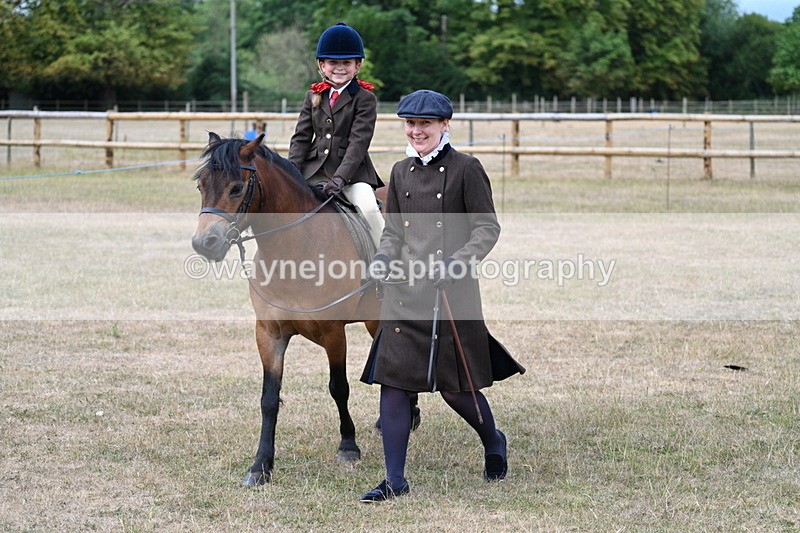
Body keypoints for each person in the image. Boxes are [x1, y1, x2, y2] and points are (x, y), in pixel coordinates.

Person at [359, 89, 526, 502]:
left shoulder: (468, 169)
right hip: (403, 294)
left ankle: (493, 440)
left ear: (444, 125)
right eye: (411, 124)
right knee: (393, 384)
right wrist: (381, 260)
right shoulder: (399, 171)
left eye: (426, 124)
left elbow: (487, 229)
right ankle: (395, 481)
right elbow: (394, 232)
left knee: (456, 390)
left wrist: (456, 262)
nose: (417, 131)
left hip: (450, 293)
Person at [288, 22, 385, 247]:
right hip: (312, 171)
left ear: (358, 65)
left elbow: (358, 143)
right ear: (321, 65)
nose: (339, 68)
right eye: (333, 62)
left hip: (351, 175)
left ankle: (386, 262)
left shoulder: (365, 99)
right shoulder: (313, 95)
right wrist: (291, 170)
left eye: (346, 63)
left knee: (369, 209)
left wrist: (341, 178)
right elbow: (301, 138)